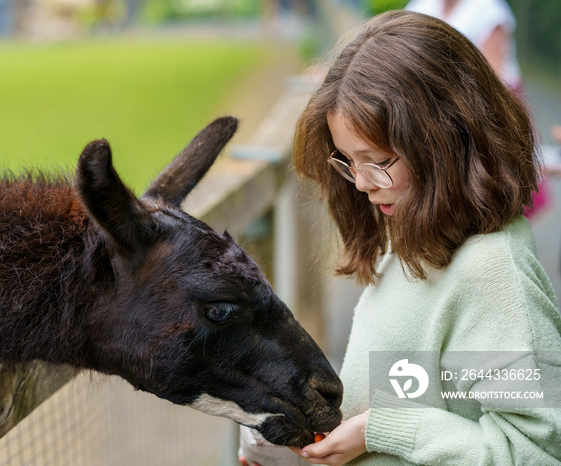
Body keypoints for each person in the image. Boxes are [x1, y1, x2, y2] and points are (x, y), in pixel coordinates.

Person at [240, 10, 561, 466]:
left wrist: (379, 430)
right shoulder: (412, 236)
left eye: (378, 161)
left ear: (448, 138)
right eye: (348, 161)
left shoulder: (493, 273)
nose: (361, 183)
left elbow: (537, 450)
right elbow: (418, 388)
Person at [405, 0, 553, 221]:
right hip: (437, 105)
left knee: (495, 186)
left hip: (486, 104)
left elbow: (492, 75)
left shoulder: (489, 10)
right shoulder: (421, 6)